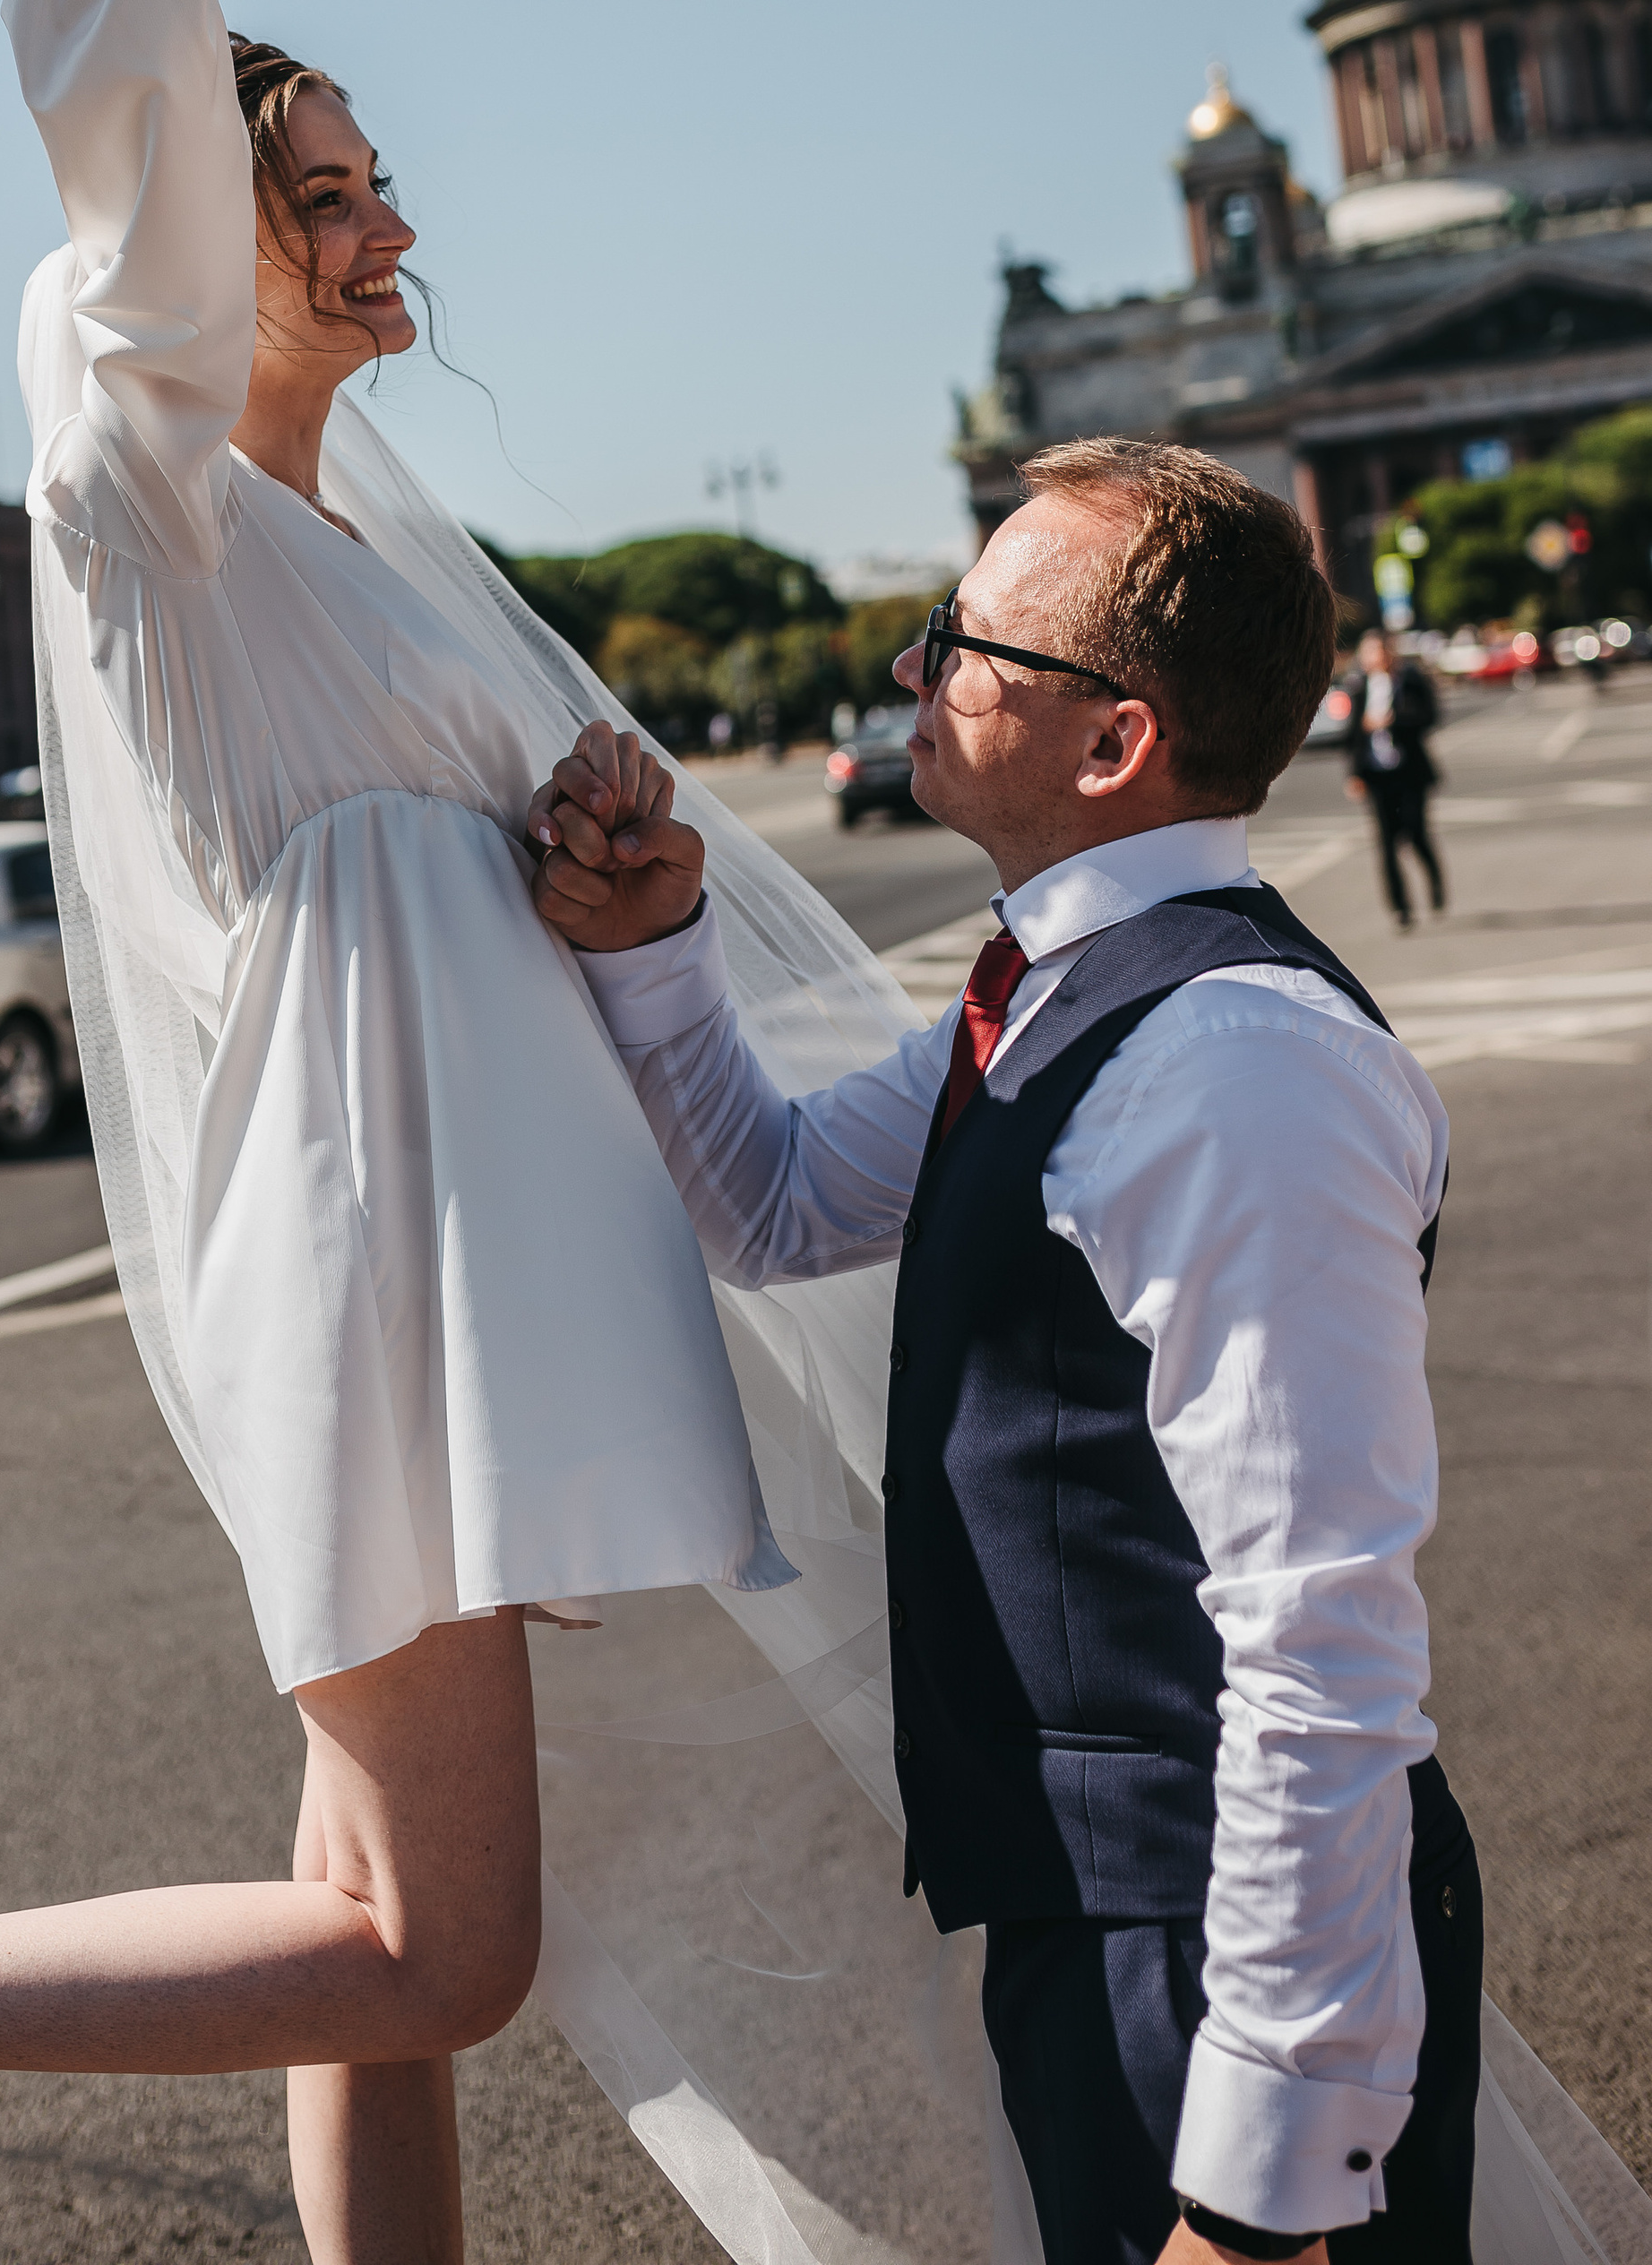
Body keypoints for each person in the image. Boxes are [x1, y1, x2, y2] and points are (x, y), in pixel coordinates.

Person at [0, 0, 824, 2265]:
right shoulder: (146, 488)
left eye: (361, 175)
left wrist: (611, 870)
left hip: (454, 1253)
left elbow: (517, 898)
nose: (365, 220)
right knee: (440, 1946)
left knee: (367, 1925)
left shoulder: (392, 572)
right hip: (372, 1265)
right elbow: (128, 112)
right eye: (297, 185)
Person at [527, 439, 1483, 2265]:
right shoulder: (1054, 991)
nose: (912, 666)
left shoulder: (1231, 1065)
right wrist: (655, 949)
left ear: (1111, 741)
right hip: (1110, 1921)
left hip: (1214, 1954)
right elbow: (778, 1206)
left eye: (967, 644)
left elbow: (1319, 1631)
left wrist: (1259, 2193)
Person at [1342, 628, 1443, 928]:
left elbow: (1430, 717)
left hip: (1410, 773)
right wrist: (1355, 774)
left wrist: (1395, 720)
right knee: (1386, 844)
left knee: (1415, 833)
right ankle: (1401, 908)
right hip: (1376, 775)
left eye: (1383, 650)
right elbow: (1352, 736)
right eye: (1372, 651)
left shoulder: (1411, 681)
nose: (1379, 657)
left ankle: (1435, 883)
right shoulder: (1360, 687)